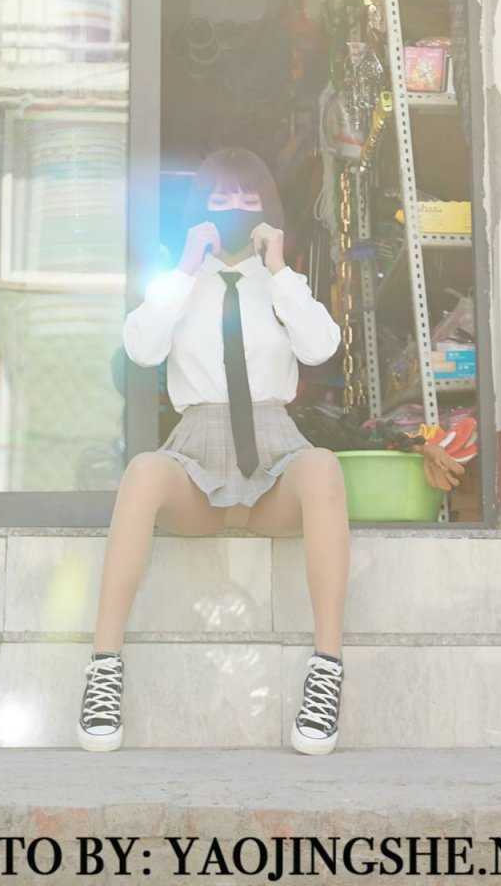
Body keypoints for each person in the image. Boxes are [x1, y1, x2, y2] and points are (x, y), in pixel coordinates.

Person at [77, 146, 350, 756]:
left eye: (247, 196)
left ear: (266, 209)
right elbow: (142, 349)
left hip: (274, 457)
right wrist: (183, 268)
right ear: (197, 209)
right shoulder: (178, 283)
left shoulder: (281, 283)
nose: (233, 207)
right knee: (144, 472)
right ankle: (103, 670)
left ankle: (326, 672)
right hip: (197, 460)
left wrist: (279, 270)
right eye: (219, 196)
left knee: (323, 468)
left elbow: (320, 348)